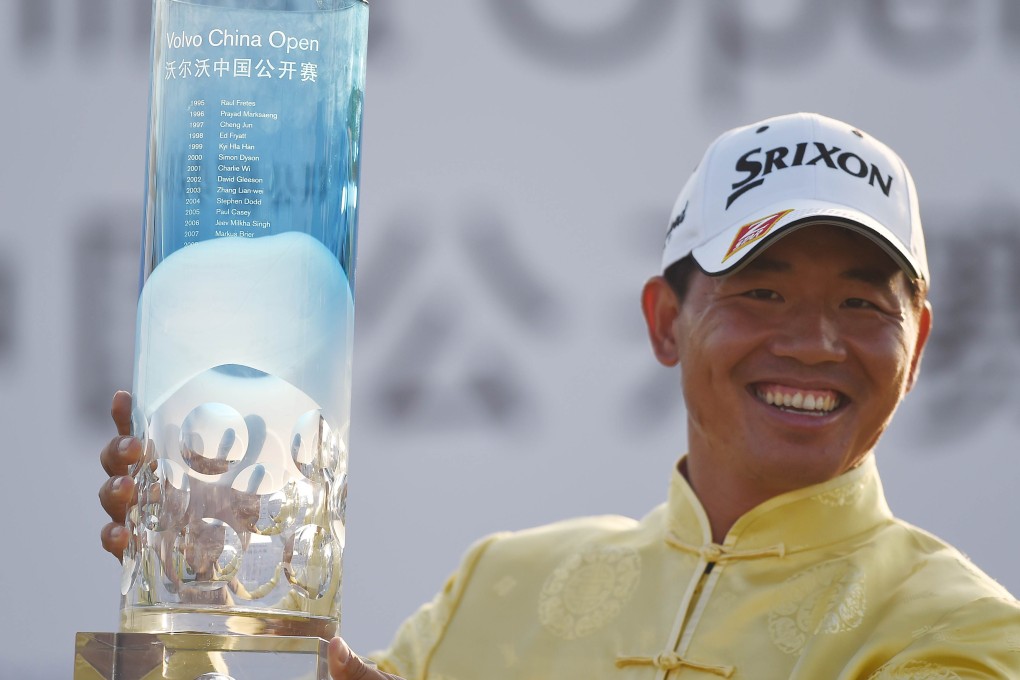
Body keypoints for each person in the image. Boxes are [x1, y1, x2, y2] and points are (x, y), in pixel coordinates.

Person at [99, 112, 1020, 679]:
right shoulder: (502, 584)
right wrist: (214, 590)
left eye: (862, 303)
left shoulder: (962, 631)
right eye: (763, 292)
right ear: (665, 320)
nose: (816, 343)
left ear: (919, 344)